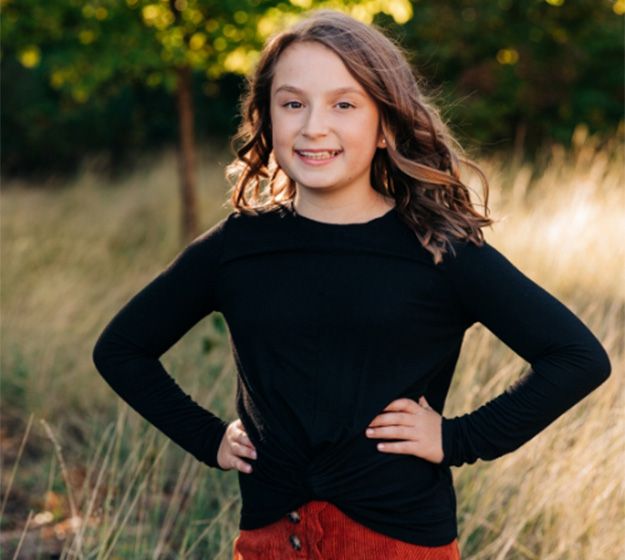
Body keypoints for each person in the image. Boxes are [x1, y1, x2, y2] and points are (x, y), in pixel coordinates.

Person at [92, 9, 612, 560]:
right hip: (271, 541)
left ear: (385, 124)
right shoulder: (238, 247)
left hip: (400, 543)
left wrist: (458, 439)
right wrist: (208, 438)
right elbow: (122, 351)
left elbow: (577, 358)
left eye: (344, 104)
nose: (314, 125)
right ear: (268, 119)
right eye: (293, 103)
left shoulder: (437, 248)